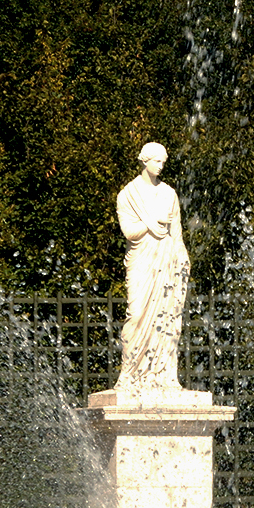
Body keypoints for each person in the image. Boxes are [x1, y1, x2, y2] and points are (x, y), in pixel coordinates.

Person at [115, 142, 190, 390]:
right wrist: (152, 221)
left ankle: (165, 374)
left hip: (166, 258)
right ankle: (128, 374)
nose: (161, 166)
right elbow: (129, 232)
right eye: (157, 161)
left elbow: (176, 233)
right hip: (141, 259)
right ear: (144, 161)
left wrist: (182, 258)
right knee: (136, 315)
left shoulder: (169, 194)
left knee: (168, 317)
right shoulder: (127, 195)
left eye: (163, 162)